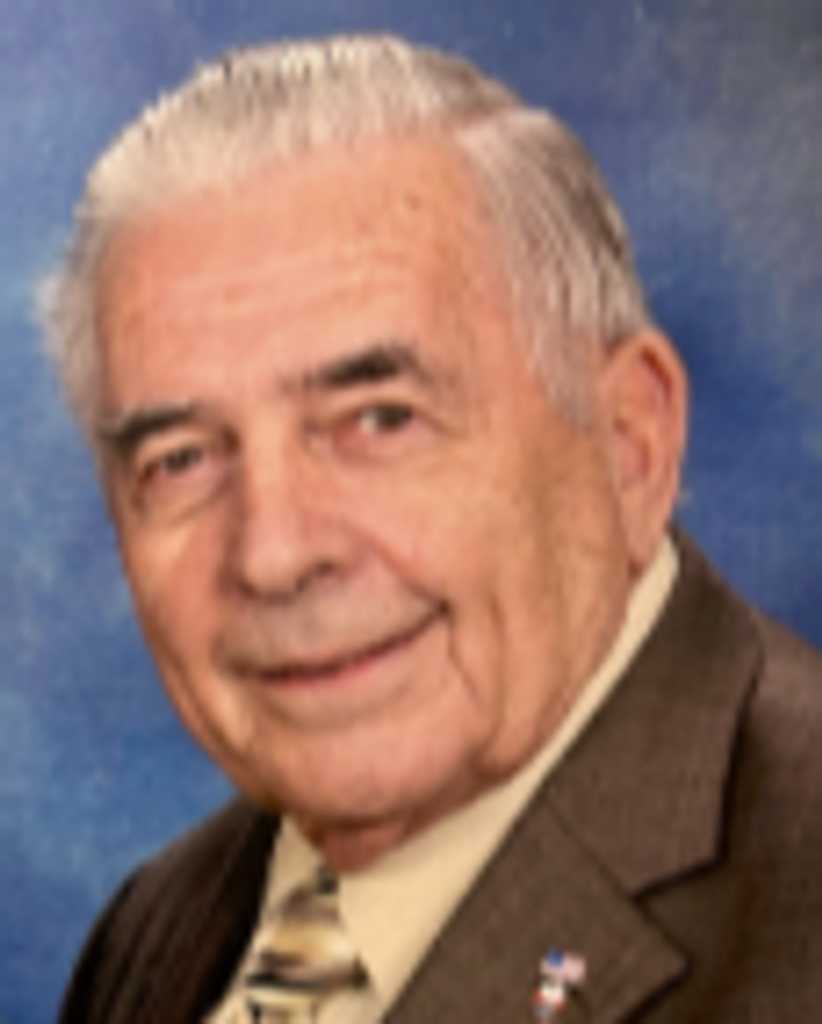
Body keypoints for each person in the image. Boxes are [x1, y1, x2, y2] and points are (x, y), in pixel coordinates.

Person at [45, 34, 822, 1024]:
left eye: (380, 419)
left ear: (630, 442)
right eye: (183, 460)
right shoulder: (160, 929)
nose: (274, 554)